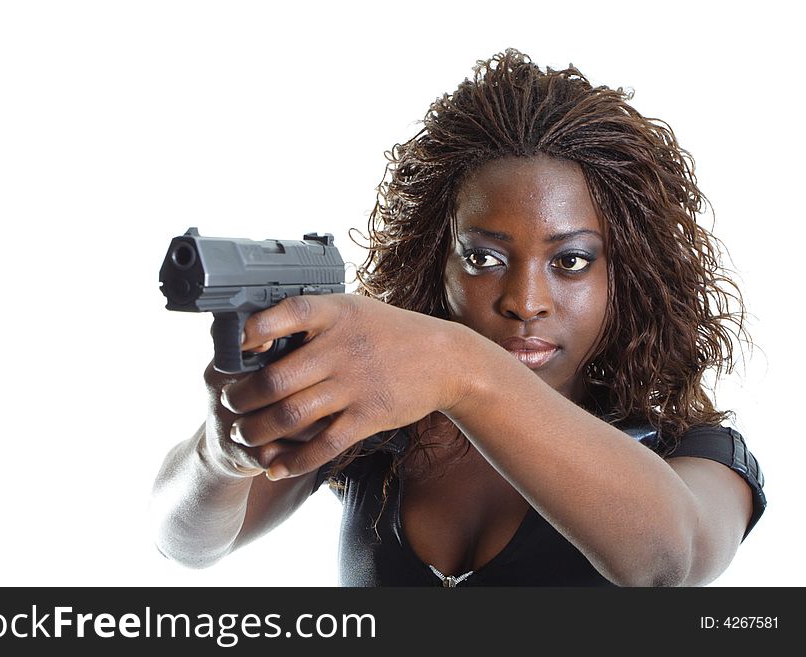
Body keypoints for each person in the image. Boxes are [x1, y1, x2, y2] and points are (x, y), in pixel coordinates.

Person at [149, 48, 766, 586]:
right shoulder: (376, 426)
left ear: (626, 276)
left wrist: (462, 369)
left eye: (571, 261)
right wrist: (222, 455)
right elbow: (185, 543)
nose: (525, 301)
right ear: (434, 261)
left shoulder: (693, 456)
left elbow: (667, 560)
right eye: (482, 258)